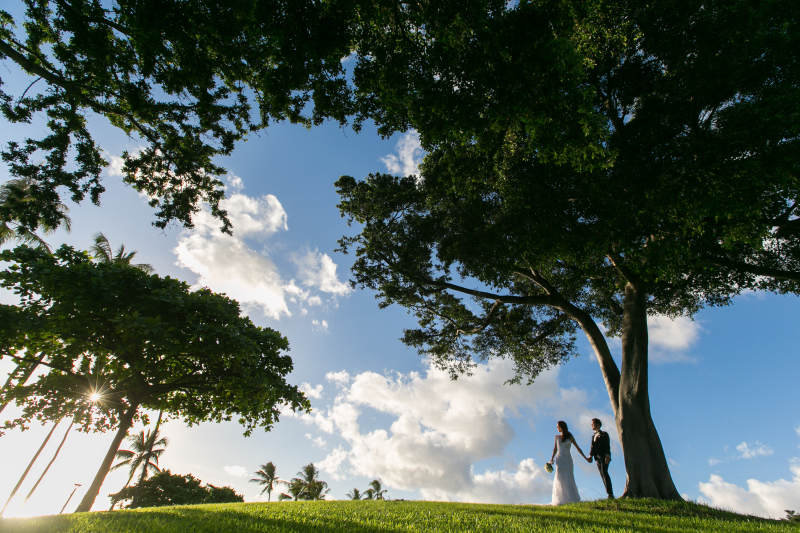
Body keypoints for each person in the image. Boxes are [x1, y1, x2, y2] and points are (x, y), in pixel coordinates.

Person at [547, 421, 587, 505]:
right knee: (560, 477)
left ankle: (571, 498)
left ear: (562, 427)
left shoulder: (570, 437)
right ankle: (561, 498)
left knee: (568, 477)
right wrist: (551, 459)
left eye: (558, 426)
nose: (557, 428)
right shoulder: (556, 437)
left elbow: (578, 448)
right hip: (559, 459)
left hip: (568, 459)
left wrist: (586, 458)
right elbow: (555, 449)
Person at [587, 418, 614, 499]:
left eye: (593, 423)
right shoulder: (593, 436)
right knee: (602, 475)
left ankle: (610, 494)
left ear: (598, 424)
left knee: (604, 472)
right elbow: (592, 447)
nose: (592, 425)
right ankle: (608, 493)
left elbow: (607, 446)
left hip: (604, 457)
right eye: (591, 424)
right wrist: (590, 456)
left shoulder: (604, 434)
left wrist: (607, 456)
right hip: (597, 458)